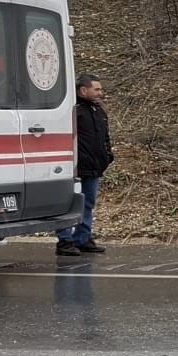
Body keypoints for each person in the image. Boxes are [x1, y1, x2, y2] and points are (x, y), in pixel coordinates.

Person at [56, 75, 113, 256]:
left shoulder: (98, 111)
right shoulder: (73, 111)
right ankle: (65, 241)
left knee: (87, 204)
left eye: (101, 89)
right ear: (83, 90)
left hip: (94, 167)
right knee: (69, 203)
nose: (100, 93)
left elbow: (105, 137)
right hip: (76, 168)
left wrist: (108, 156)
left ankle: (83, 238)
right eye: (96, 89)